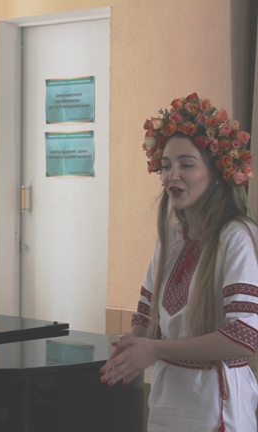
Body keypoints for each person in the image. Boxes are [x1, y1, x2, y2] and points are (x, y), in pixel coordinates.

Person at [100, 93, 258, 431]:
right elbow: (145, 315)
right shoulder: (171, 238)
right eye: (167, 165)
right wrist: (131, 349)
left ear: (217, 172)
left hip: (216, 407)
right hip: (168, 403)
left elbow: (244, 337)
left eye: (186, 164)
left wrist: (156, 350)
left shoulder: (236, 237)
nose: (173, 175)